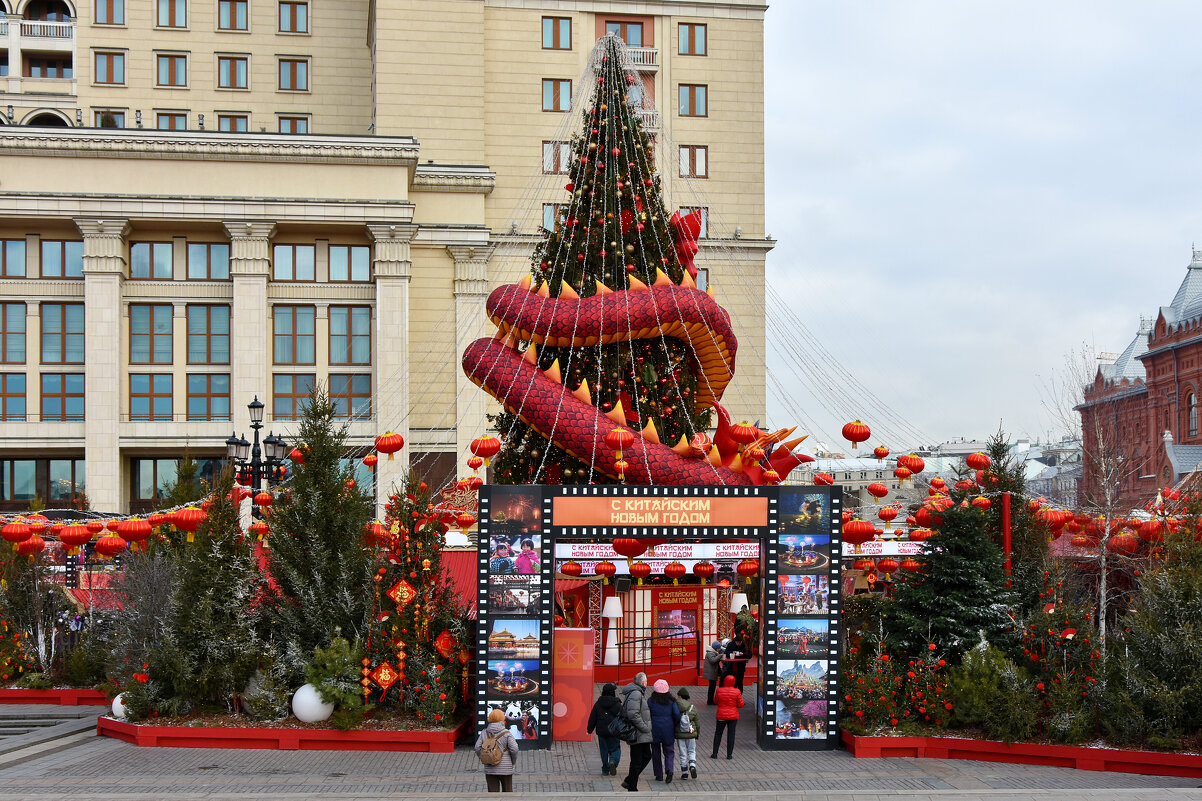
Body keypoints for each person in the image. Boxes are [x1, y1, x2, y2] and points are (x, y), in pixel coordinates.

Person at [619, 672, 653, 792]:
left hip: (642, 733)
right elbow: (633, 714)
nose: (647, 683)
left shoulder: (638, 692)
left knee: (646, 756)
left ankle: (629, 780)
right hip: (638, 733)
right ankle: (632, 786)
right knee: (637, 761)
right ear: (643, 682)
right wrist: (644, 727)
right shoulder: (636, 693)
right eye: (646, 681)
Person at [475, 707, 519, 793]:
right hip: (506, 768)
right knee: (507, 793)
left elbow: (477, 747)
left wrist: (484, 757)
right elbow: (514, 749)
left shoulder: (484, 732)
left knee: (492, 794)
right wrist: (512, 761)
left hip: (490, 768)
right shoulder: (506, 733)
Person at [647, 679, 681, 784]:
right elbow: (676, 715)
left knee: (656, 753)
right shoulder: (671, 701)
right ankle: (669, 769)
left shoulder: (650, 701)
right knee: (669, 752)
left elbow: (647, 715)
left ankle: (659, 774)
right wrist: (675, 724)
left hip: (655, 729)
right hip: (668, 729)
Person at [586, 682, 623, 776]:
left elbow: (592, 717)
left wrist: (589, 730)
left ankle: (605, 769)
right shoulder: (617, 704)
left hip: (601, 732)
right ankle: (613, 761)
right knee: (615, 748)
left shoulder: (598, 703)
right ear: (612, 693)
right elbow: (624, 717)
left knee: (604, 750)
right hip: (614, 731)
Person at [711, 674, 744, 759]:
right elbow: (740, 705)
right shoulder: (737, 691)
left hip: (721, 715)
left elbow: (715, 701)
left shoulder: (719, 690)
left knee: (718, 734)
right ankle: (729, 755)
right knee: (731, 734)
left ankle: (715, 753)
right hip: (733, 716)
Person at [674, 687, 700, 780]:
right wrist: (697, 734)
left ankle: (684, 773)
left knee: (682, 753)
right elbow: (697, 723)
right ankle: (692, 765)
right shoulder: (693, 707)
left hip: (680, 733)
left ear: (680, 696)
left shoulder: (676, 706)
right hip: (691, 732)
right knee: (692, 751)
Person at [702, 640, 723, 705]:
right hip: (711, 673)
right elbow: (713, 660)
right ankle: (710, 701)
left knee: (712, 687)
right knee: (712, 687)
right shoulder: (710, 653)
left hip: (712, 672)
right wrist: (719, 656)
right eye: (719, 648)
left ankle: (710, 700)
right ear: (716, 648)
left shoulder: (712, 653)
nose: (719, 649)